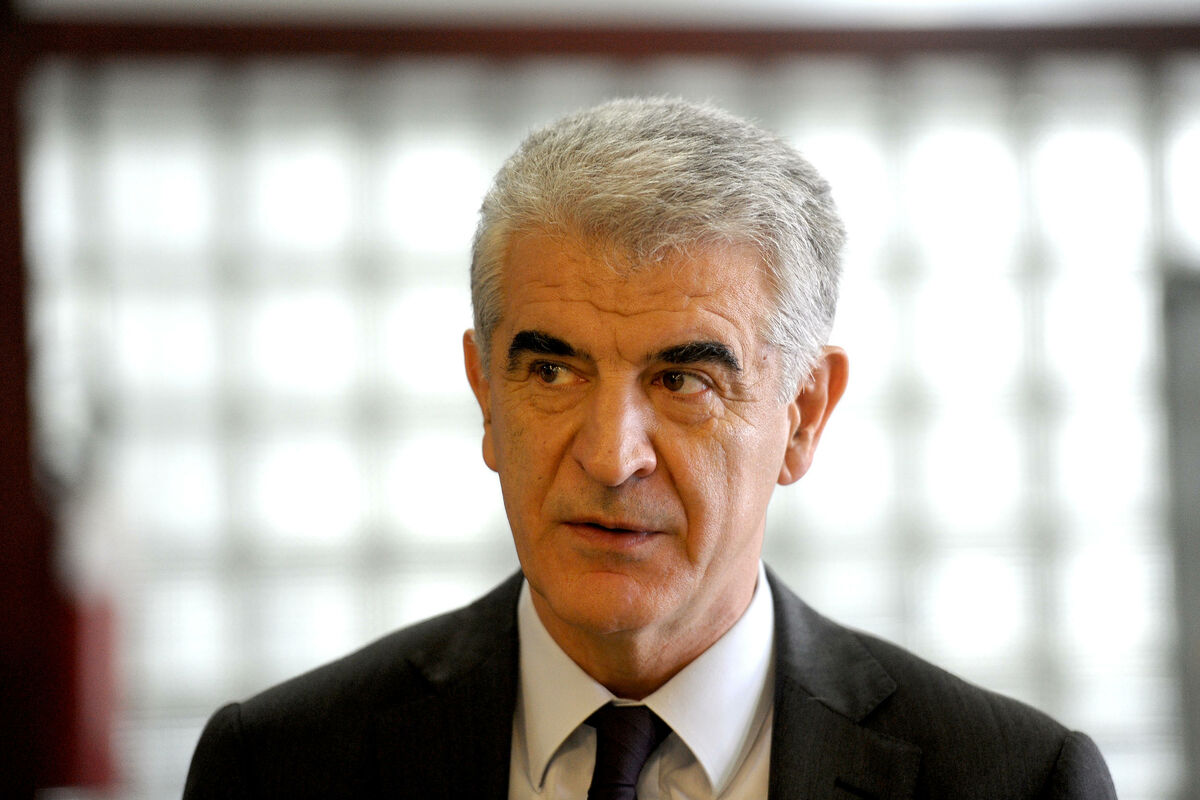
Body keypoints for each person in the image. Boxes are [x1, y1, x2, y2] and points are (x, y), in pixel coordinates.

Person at [184, 97, 1116, 799]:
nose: (610, 456)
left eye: (683, 381)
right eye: (553, 371)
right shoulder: (279, 768)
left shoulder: (1012, 781)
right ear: (485, 396)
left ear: (803, 415)